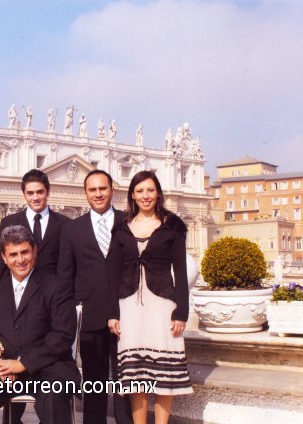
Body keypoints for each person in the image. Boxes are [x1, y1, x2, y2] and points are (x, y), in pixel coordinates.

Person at [0, 225, 80, 424]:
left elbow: (62, 336)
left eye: (25, 252)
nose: (20, 260)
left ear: (34, 251)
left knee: (53, 395)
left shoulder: (57, 286)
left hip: (49, 369)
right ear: (3, 257)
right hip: (7, 370)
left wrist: (23, 364)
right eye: (13, 254)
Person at [109, 171, 192, 424]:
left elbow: (180, 270)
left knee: (164, 375)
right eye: (140, 191)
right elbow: (113, 274)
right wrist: (112, 313)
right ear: (132, 195)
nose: (145, 196)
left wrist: (182, 312)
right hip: (129, 307)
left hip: (163, 304)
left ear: (158, 193)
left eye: (150, 190)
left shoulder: (173, 225)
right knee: (136, 377)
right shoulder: (121, 228)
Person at [58, 170, 133, 424]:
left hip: (126, 312)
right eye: (93, 189)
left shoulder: (128, 222)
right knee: (93, 382)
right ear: (86, 193)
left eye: (103, 188)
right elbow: (65, 275)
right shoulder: (72, 229)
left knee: (126, 380)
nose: (98, 194)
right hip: (89, 315)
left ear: (112, 190)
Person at [0, 169, 69, 283]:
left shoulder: (65, 224)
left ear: (48, 192)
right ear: (24, 194)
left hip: (53, 292)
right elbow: (2, 266)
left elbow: (68, 266)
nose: (35, 198)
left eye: (40, 192)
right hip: (20, 292)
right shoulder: (9, 222)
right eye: (30, 193)